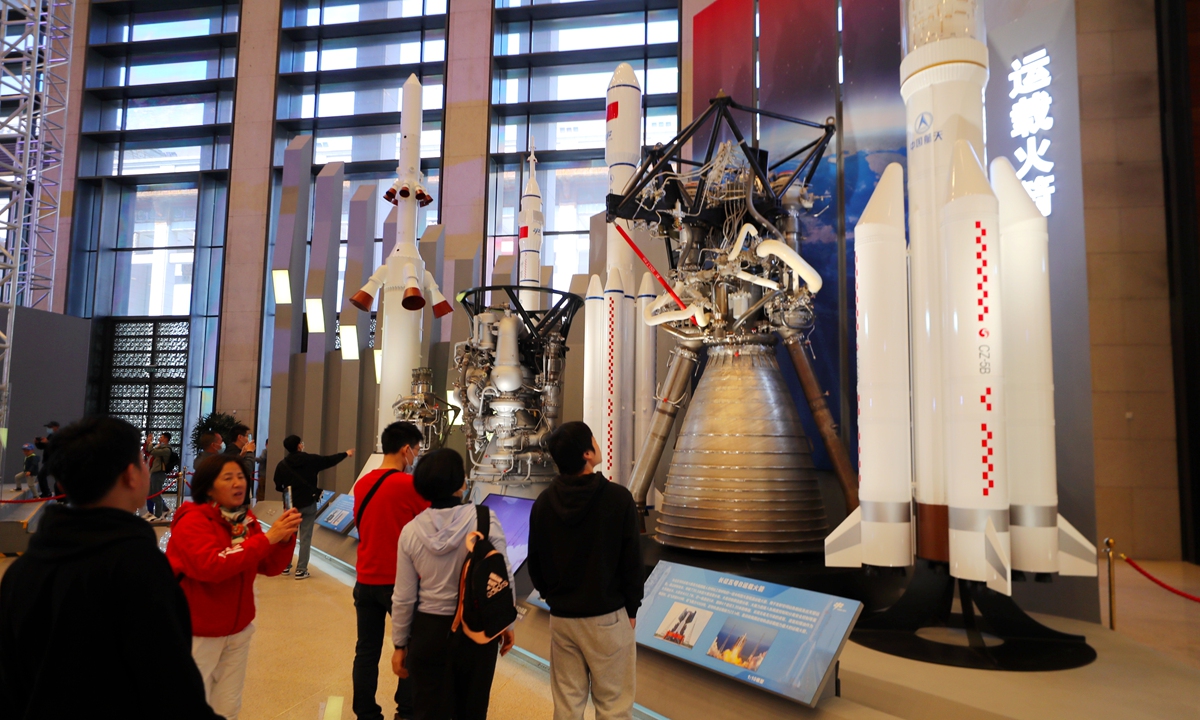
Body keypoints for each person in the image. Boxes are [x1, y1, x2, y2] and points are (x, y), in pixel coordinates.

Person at [0, 417, 221, 719]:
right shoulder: (138, 567)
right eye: (142, 461)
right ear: (131, 475)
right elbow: (172, 690)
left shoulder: (21, 571)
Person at [167, 454, 301, 720]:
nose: (237, 483)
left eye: (240, 476)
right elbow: (211, 565)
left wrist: (284, 539)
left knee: (228, 706)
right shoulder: (192, 520)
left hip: (238, 630)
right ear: (208, 486)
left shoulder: (243, 520)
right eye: (227, 478)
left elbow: (268, 566)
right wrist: (268, 539)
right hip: (198, 632)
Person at [528, 421, 644, 720]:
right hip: (607, 618)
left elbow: (535, 562)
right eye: (593, 437)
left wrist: (553, 598)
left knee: (567, 705)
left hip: (563, 619)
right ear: (587, 453)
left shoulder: (542, 503)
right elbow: (632, 561)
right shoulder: (618, 499)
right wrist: (632, 606)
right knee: (614, 706)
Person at [391, 448, 515, 720]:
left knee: (427, 710)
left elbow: (403, 597)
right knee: (472, 711)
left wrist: (400, 644)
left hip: (428, 633)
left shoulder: (410, 531)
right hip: (476, 630)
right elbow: (502, 576)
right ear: (462, 483)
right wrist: (505, 624)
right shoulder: (485, 519)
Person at [352, 422, 428, 720]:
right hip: (400, 583)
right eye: (417, 451)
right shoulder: (409, 486)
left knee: (366, 651)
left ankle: (366, 713)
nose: (416, 457)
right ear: (406, 450)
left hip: (365, 578)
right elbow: (432, 524)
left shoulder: (362, 484)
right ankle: (406, 711)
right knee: (410, 648)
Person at [274, 435, 353, 579]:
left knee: (289, 535)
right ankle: (301, 569)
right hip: (308, 503)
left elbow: (278, 486)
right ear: (299, 445)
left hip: (291, 506)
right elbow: (329, 460)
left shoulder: (282, 465)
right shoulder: (311, 460)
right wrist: (345, 454)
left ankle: (285, 566)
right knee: (306, 537)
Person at [144, 432, 173, 521]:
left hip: (159, 473)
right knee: (151, 494)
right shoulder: (160, 447)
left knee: (156, 494)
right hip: (154, 473)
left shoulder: (166, 449)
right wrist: (148, 442)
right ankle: (165, 509)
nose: (159, 438)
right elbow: (149, 451)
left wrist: (150, 443)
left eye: (161, 437)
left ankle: (158, 515)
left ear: (166, 439)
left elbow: (152, 451)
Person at [227, 423, 257, 489]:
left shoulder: (238, 450)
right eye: (247, 436)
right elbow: (247, 469)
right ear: (240, 437)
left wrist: (242, 454)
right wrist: (250, 451)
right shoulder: (231, 451)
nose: (249, 439)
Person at [33, 420, 59, 497]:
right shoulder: (51, 436)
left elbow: (58, 447)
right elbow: (43, 447)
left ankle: (50, 494)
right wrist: (38, 443)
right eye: (48, 427)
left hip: (54, 461)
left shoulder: (59, 436)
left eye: (50, 427)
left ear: (57, 427)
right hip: (49, 460)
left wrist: (48, 442)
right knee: (44, 476)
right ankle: (48, 493)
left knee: (42, 476)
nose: (48, 428)